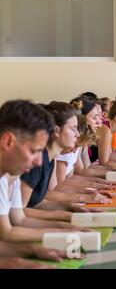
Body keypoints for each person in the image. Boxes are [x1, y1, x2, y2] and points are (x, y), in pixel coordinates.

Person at [0, 100, 85, 243]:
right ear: (8, 142)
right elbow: (7, 232)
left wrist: (63, 227)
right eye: (34, 151)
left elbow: (19, 219)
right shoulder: (11, 173)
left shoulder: (10, 176)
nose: (38, 162)